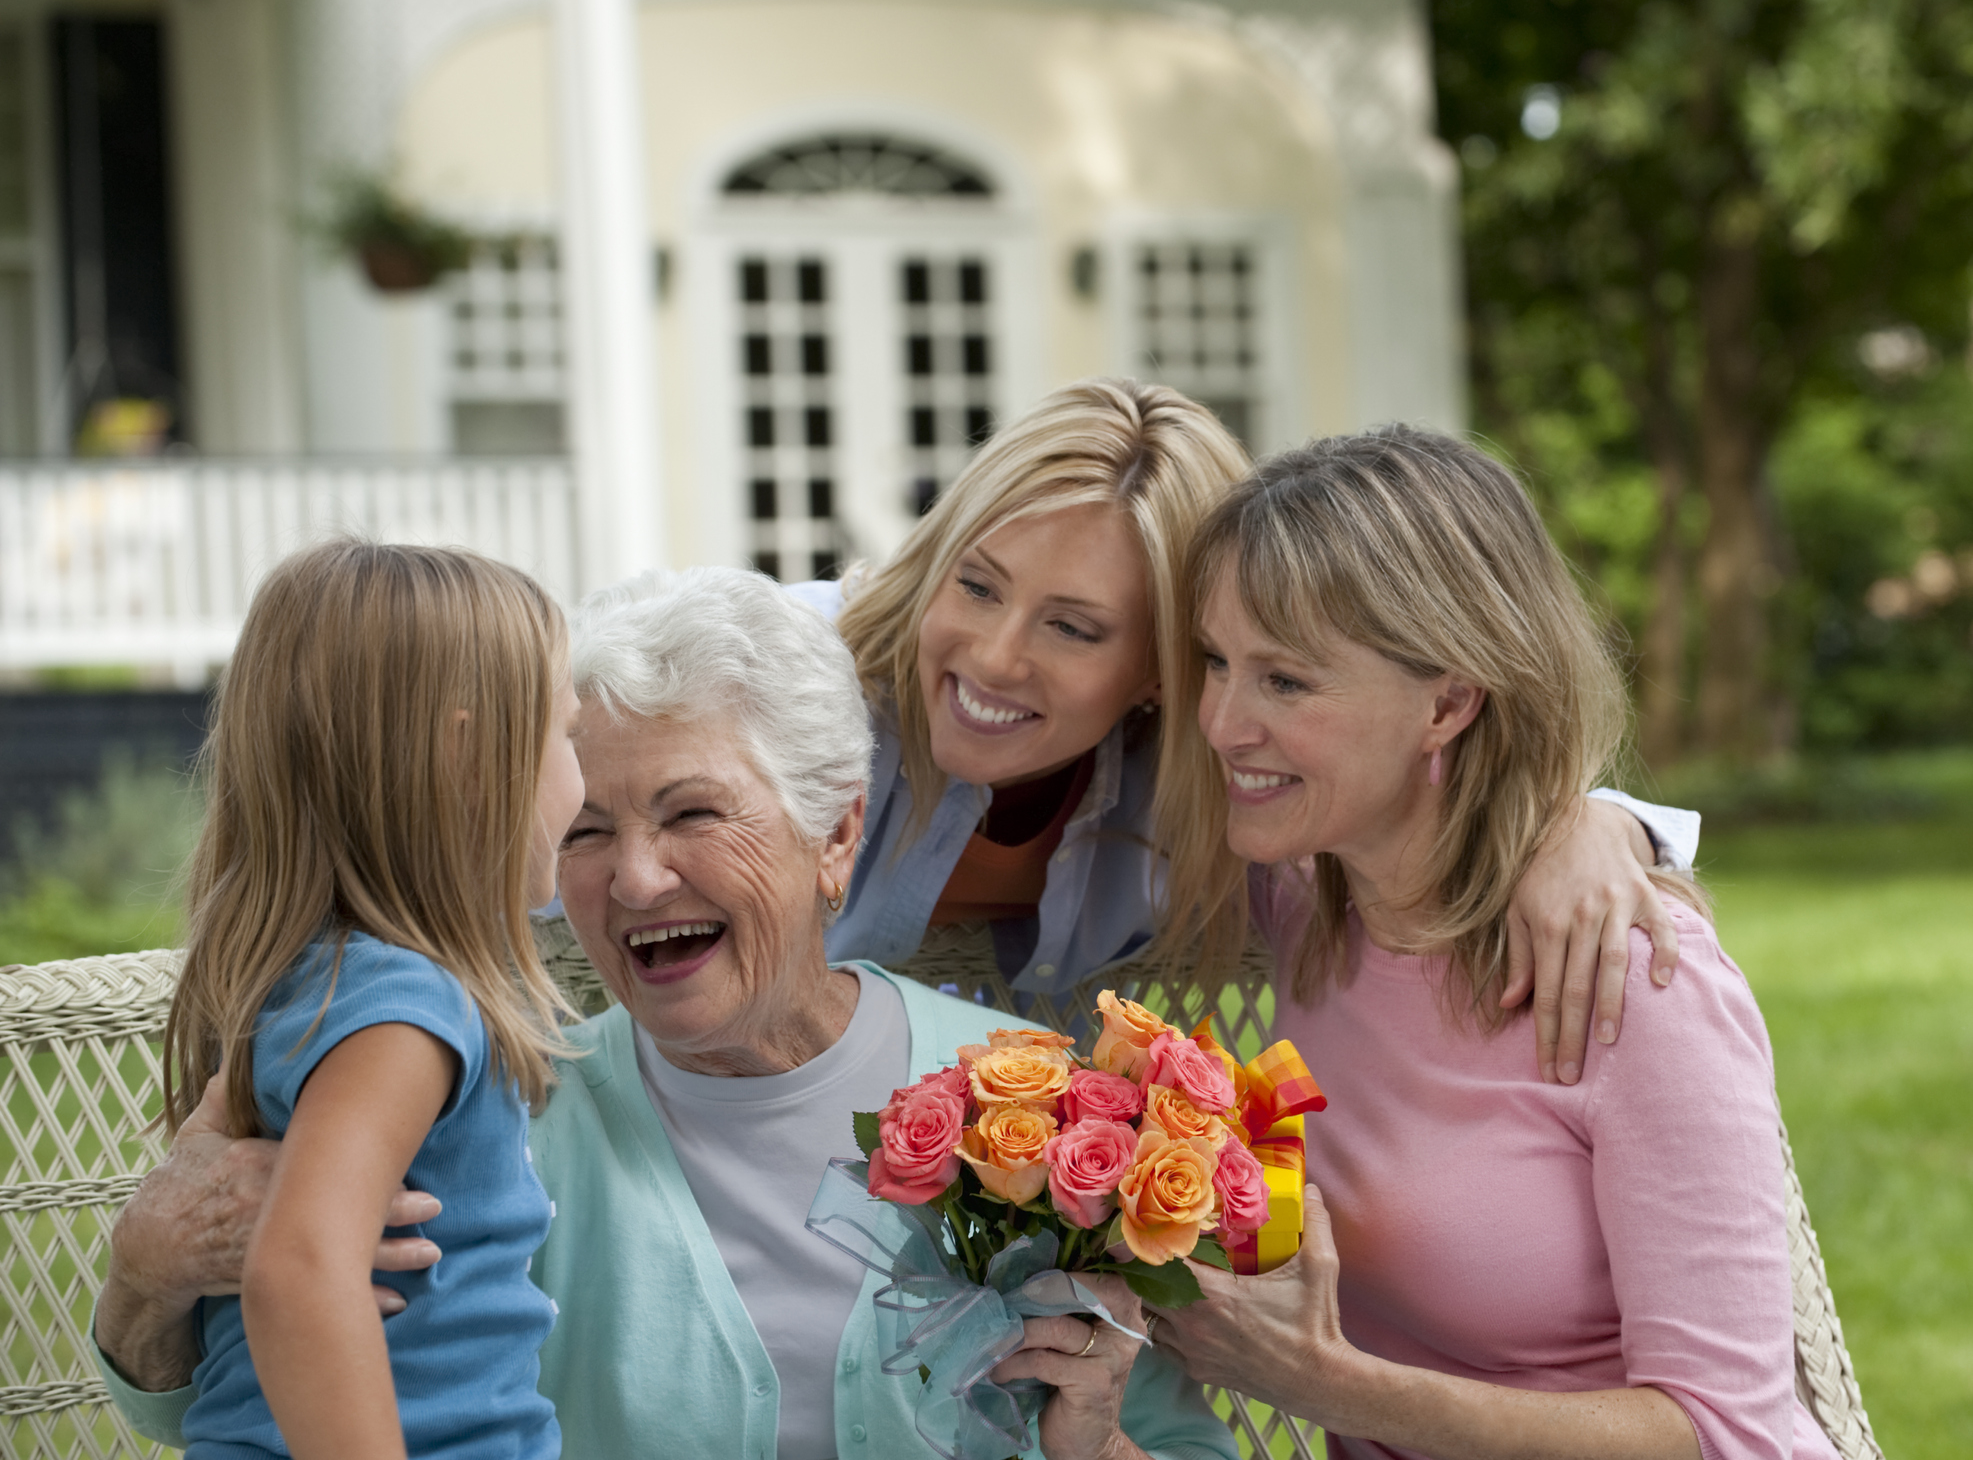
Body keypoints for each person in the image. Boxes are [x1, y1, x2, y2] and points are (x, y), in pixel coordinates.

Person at [96, 567, 1236, 1460]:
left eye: (693, 811)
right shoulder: (489, 1101)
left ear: (835, 834)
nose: (635, 879)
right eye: (585, 827)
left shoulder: (1042, 1104)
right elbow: (226, 1392)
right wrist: (148, 1272)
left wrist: (1094, 1442)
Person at [1145, 427, 1839, 1460]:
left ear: (1449, 700)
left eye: (1284, 681)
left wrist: (1325, 1383)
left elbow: (1717, 1430)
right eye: (1215, 661)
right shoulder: (1306, 898)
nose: (1222, 721)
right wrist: (1603, 813)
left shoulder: (1631, 974)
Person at [800, 376, 1697, 1082]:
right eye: (978, 584)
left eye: (1073, 628)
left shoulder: (1206, 773)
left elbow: (1399, 790)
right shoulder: (778, 682)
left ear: (1161, 664)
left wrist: (1588, 821)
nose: (994, 659)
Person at [154, 541, 581, 1459]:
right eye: (566, 734)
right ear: (470, 758)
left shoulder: (322, 982)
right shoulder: (403, 1010)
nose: (579, 781)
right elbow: (299, 1271)